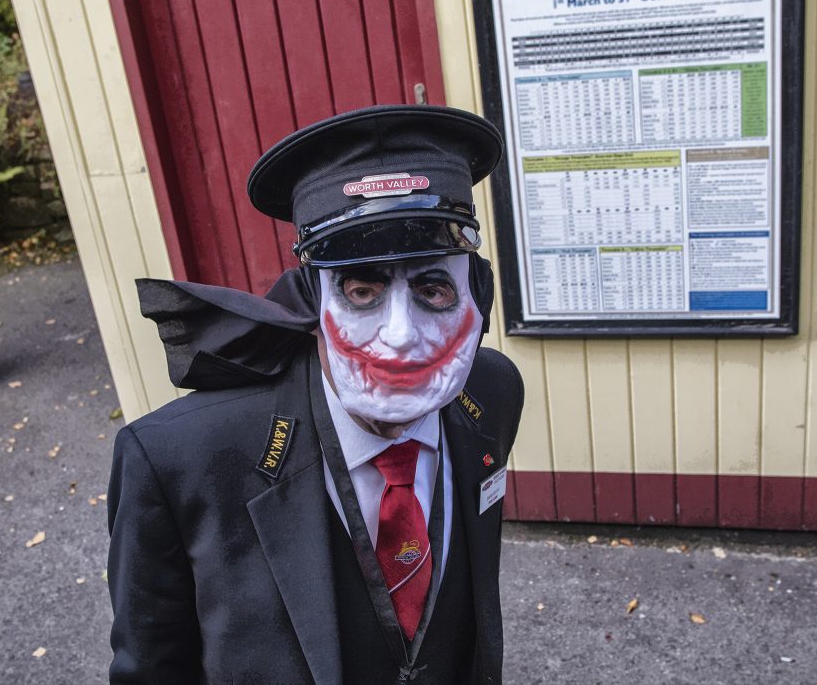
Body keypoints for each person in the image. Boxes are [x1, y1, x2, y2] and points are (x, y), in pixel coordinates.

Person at [106, 105, 524, 684]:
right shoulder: (177, 461)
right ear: (313, 303)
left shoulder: (494, 392)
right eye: (360, 290)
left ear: (478, 294)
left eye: (432, 287)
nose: (400, 335)